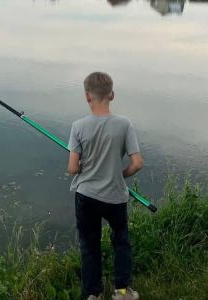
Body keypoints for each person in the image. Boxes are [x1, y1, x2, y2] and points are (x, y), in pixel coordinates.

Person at [68, 72, 143, 300]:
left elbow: (72, 168)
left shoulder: (78, 126)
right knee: (121, 242)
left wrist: (82, 165)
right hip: (115, 197)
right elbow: (137, 163)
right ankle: (121, 292)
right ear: (112, 94)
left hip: (86, 196)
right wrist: (119, 175)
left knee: (89, 246)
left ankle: (94, 294)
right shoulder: (124, 124)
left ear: (87, 97)